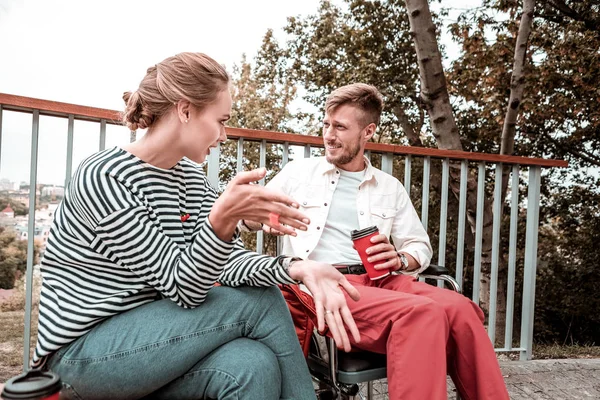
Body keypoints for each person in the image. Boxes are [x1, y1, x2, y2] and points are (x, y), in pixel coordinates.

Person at [31, 52, 362, 400]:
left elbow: (227, 264)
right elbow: (183, 285)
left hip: (156, 342)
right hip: (81, 358)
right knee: (262, 303)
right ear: (185, 110)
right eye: (220, 120)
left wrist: (297, 266)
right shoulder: (105, 177)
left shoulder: (189, 176)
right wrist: (222, 219)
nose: (223, 134)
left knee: (253, 363)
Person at [242, 83, 510, 399]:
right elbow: (249, 218)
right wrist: (271, 220)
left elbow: (419, 246)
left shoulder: (389, 186)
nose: (329, 134)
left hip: (383, 281)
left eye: (340, 127)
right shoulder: (298, 173)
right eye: (327, 124)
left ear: (368, 131)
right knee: (423, 313)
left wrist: (401, 259)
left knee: (462, 310)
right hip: (326, 285)